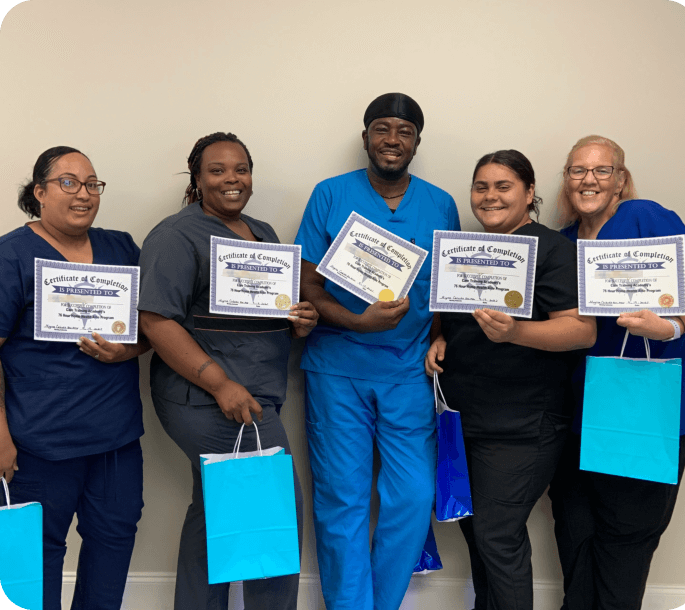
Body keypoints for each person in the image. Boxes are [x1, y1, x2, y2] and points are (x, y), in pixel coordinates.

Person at [294, 92, 460, 610]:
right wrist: (358, 322)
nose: (393, 140)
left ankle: (381, 603)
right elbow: (308, 285)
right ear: (365, 136)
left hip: (409, 371)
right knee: (342, 499)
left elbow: (449, 290)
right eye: (382, 129)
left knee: (411, 498)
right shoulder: (329, 194)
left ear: (417, 141)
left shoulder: (440, 203)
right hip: (336, 369)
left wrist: (441, 335)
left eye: (404, 131)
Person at [138, 132, 317, 610]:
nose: (231, 179)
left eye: (241, 169)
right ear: (196, 180)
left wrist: (300, 322)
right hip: (208, 398)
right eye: (217, 170)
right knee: (273, 518)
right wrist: (220, 383)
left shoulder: (263, 233)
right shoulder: (175, 235)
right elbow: (155, 319)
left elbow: (270, 314)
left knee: (215, 515)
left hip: (256, 391)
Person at [425, 149, 596, 610]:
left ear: (529, 193)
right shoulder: (464, 249)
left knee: (497, 534)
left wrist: (516, 331)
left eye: (504, 186)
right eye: (481, 186)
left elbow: (582, 329)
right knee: (476, 533)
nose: (490, 196)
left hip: (525, 424)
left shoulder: (554, 250)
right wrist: (439, 336)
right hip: (462, 419)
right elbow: (448, 313)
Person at [547, 135, 685, 610]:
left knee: (625, 540)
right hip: (580, 409)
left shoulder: (645, 217)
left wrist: (669, 325)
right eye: (577, 170)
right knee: (574, 530)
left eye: (601, 170)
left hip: (646, 409)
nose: (588, 179)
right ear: (566, 180)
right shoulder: (564, 242)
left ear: (620, 181)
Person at [0, 146, 148, 610]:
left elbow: (154, 325)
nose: (82, 193)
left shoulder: (120, 246)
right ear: (39, 192)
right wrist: (0, 435)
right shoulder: (11, 257)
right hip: (39, 444)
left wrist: (130, 349)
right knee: (34, 559)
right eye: (68, 182)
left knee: (113, 542)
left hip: (116, 439)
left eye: (91, 184)